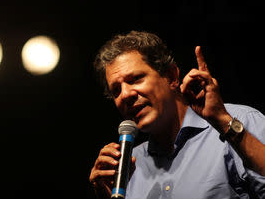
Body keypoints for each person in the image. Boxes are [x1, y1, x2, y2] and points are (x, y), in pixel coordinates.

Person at [89, 30, 265, 199]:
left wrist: (223, 121)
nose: (125, 95)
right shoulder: (127, 168)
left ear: (172, 77)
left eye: (135, 79)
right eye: (116, 90)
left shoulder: (238, 120)